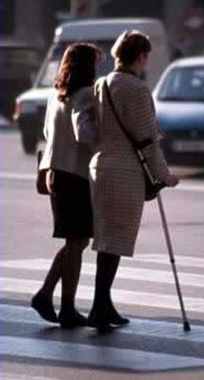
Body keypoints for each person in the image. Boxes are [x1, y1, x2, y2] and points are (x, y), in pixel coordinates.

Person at [87, 30, 179, 333]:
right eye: (147, 55)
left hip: (100, 168)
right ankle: (100, 306)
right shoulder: (136, 89)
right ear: (141, 56)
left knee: (107, 241)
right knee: (115, 240)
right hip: (124, 171)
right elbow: (147, 140)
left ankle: (103, 303)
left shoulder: (102, 83)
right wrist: (165, 175)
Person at [31, 43, 101, 328]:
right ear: (88, 66)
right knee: (77, 241)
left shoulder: (55, 94)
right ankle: (65, 306)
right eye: (96, 63)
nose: (99, 69)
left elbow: (48, 132)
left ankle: (47, 295)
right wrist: (104, 134)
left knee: (77, 241)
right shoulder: (84, 95)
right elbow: (84, 133)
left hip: (54, 172)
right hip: (75, 175)